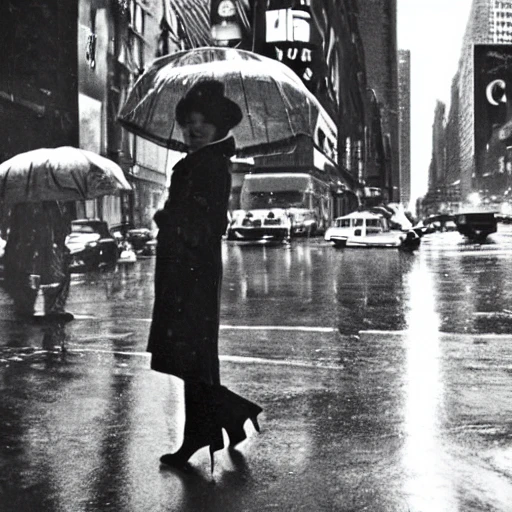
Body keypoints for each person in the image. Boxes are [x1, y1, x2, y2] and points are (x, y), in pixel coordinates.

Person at [148, 80, 262, 472]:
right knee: (191, 358)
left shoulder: (210, 165)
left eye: (202, 123)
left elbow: (209, 222)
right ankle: (223, 420)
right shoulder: (199, 162)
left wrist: (167, 218)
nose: (193, 130)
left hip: (191, 273)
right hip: (186, 270)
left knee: (192, 357)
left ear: (218, 127)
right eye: (188, 123)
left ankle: (214, 424)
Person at [3, 201, 74, 321]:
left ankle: (29, 309)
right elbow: (62, 229)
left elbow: (13, 231)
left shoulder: (22, 205)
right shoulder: (50, 204)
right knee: (51, 279)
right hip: (37, 250)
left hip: (34, 251)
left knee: (34, 281)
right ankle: (50, 308)